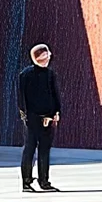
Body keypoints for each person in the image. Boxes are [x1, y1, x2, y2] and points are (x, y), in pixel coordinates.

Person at [17, 42, 61, 193]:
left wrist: (56, 112)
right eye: (44, 55)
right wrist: (25, 116)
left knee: (45, 149)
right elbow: (22, 98)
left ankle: (44, 181)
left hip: (48, 117)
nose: (47, 58)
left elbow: (55, 95)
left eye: (47, 55)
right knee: (29, 148)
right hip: (32, 118)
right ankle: (26, 181)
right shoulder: (25, 75)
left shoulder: (50, 74)